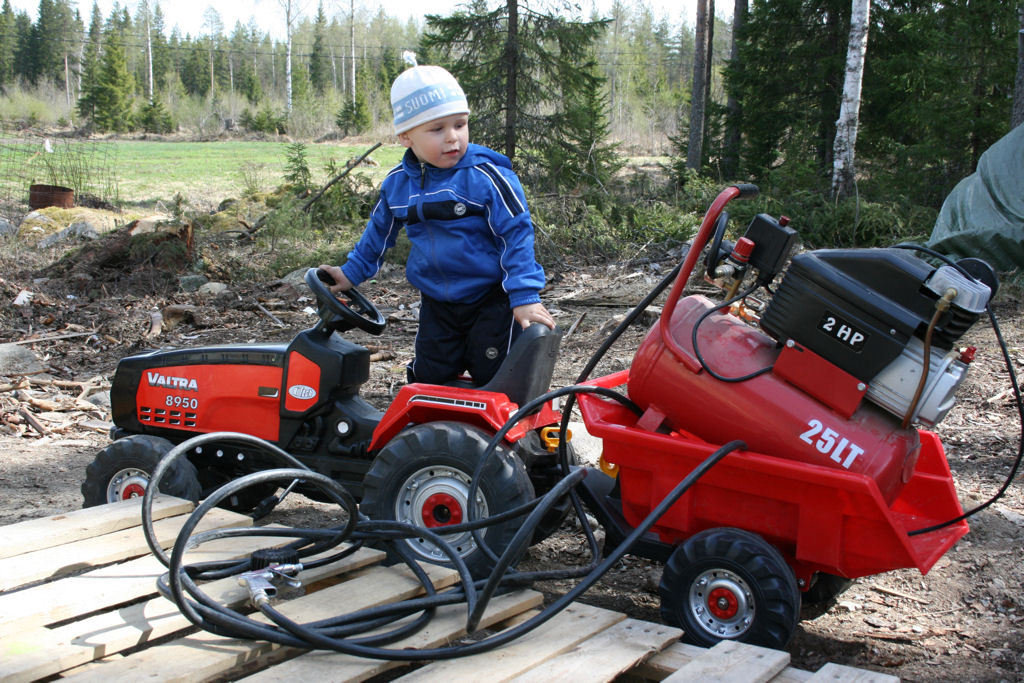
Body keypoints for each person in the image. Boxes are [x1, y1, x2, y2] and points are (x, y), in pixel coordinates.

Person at [320, 63, 555, 386]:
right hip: (437, 303)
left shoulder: (486, 177)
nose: (452, 138)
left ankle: (500, 434)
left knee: (497, 376)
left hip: (491, 299)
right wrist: (349, 273)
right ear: (406, 136)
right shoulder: (397, 185)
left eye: (460, 124)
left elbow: (516, 233)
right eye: (437, 129)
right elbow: (378, 235)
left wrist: (525, 295)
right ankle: (433, 432)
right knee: (431, 377)